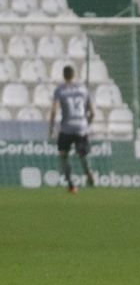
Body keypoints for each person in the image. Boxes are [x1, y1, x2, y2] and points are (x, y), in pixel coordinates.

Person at [47, 65, 94, 194]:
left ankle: (71, 185)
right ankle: (88, 173)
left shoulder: (60, 90)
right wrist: (86, 124)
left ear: (64, 75)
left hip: (66, 128)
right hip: (81, 127)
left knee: (63, 155)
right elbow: (92, 112)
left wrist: (51, 127)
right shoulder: (84, 89)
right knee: (83, 154)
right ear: (74, 75)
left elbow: (54, 110)